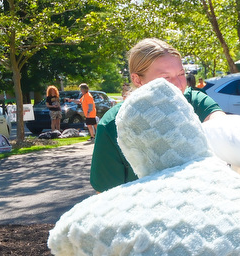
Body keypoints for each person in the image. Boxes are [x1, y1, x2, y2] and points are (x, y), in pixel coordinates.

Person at [90, 38, 225, 192]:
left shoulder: (194, 101)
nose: (179, 85)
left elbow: (222, 125)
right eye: (165, 78)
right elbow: (106, 194)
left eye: (181, 74)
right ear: (137, 79)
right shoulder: (112, 124)